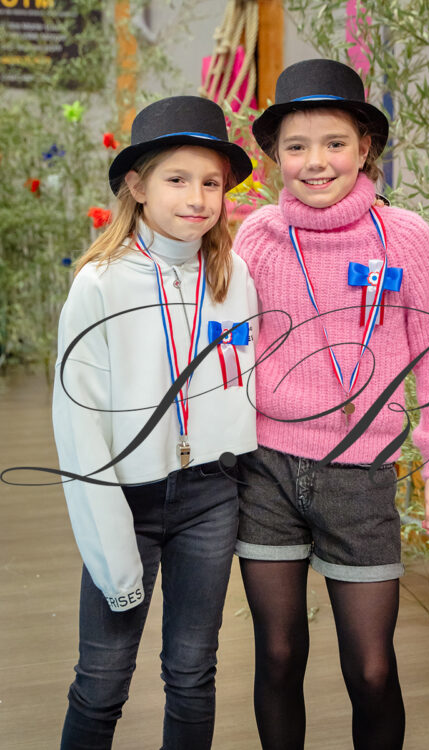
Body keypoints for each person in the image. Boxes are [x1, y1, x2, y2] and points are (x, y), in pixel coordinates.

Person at [232, 59, 429, 750]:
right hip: (267, 469)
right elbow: (227, 348)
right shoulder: (256, 238)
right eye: (296, 146)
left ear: (365, 146)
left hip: (362, 476)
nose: (316, 162)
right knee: (277, 654)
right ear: (276, 155)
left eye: (334, 143)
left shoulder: (406, 237)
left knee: (371, 669)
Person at [52, 95, 258, 750]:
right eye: (177, 179)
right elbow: (80, 428)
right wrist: (113, 557)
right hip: (126, 500)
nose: (197, 198)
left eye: (211, 183)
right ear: (138, 187)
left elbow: (246, 385)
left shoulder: (234, 275)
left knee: (193, 672)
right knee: (101, 680)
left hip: (212, 497)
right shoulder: (99, 284)